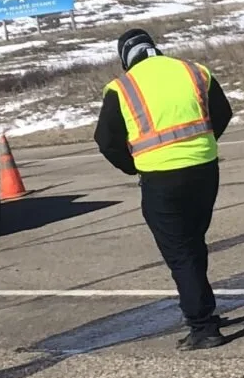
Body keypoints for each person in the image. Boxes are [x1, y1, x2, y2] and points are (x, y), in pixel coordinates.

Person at [95, 28, 233, 349]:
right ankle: (201, 308)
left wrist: (134, 166)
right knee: (193, 242)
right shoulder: (193, 70)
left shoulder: (122, 87)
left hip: (160, 179)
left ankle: (202, 325)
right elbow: (222, 113)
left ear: (124, 58)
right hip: (204, 170)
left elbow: (106, 140)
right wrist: (202, 146)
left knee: (179, 251)